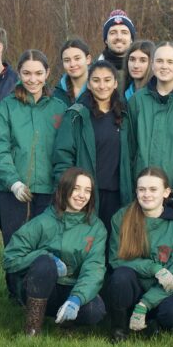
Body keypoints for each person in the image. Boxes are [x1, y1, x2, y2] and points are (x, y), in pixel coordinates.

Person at [2, 166, 108, 335]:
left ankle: (66, 322)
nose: (82, 195)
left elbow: (94, 268)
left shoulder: (96, 228)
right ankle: (33, 326)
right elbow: (10, 258)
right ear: (64, 190)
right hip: (40, 288)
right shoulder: (43, 221)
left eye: (87, 191)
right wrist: (44, 256)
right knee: (45, 263)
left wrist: (77, 298)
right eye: (76, 189)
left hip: (71, 288)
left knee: (95, 311)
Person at [103, 168, 173, 341]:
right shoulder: (121, 218)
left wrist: (145, 304)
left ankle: (154, 322)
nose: (147, 194)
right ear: (136, 191)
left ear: (166, 192)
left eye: (153, 189)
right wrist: (153, 268)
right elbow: (116, 260)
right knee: (120, 276)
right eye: (142, 189)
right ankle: (119, 331)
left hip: (163, 292)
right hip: (133, 287)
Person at [0, 50, 68, 246]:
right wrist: (13, 182)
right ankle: (15, 278)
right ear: (19, 73)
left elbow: (65, 151)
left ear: (47, 73)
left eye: (38, 73)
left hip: (49, 191)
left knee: (45, 245)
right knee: (16, 245)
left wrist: (61, 185)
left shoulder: (59, 108)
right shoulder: (6, 107)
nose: (33, 79)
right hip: (13, 192)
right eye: (27, 73)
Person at [128, 42, 173, 217]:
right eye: (159, 61)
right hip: (142, 192)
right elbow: (129, 149)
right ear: (152, 65)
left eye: (170, 62)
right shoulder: (137, 101)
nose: (164, 66)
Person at [52, 59, 130, 225]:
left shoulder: (125, 115)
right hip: (85, 194)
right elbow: (63, 157)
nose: (102, 86)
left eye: (107, 80)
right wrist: (67, 192)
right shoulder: (76, 115)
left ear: (115, 83)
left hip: (118, 194)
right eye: (96, 80)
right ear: (88, 84)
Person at [53, 37, 92, 105]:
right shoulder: (56, 95)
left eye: (77, 58)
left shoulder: (101, 89)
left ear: (88, 59)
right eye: (67, 60)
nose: (72, 64)